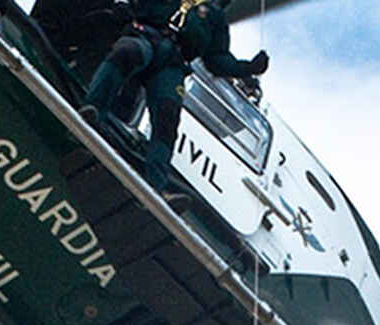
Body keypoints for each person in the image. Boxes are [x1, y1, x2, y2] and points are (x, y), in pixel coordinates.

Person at [77, 0, 270, 206]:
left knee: (168, 114)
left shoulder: (214, 16)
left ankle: (155, 187)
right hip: (146, 36)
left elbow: (217, 60)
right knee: (127, 52)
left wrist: (248, 68)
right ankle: (92, 114)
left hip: (173, 64)